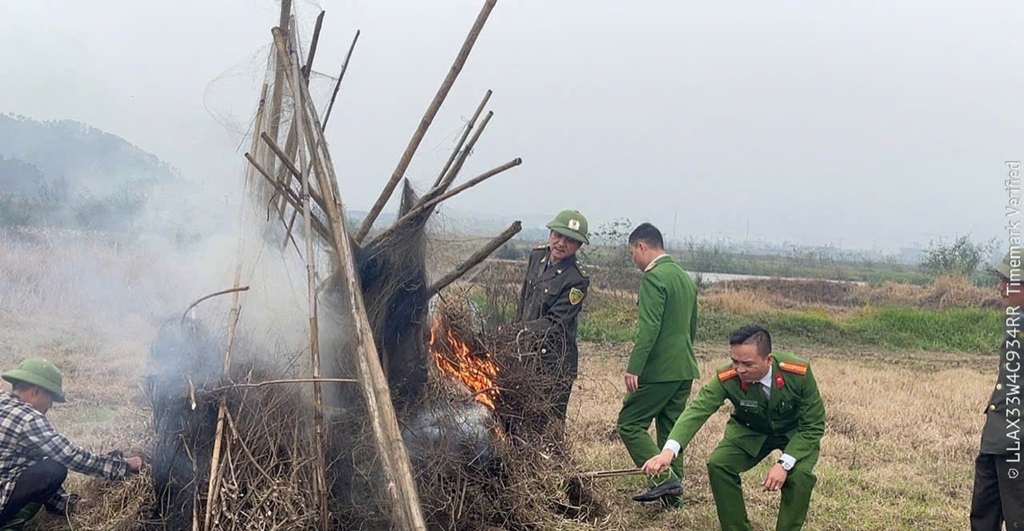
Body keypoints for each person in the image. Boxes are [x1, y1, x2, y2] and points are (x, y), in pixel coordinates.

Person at [642, 325, 825, 531]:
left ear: (768, 359)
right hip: (750, 431)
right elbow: (697, 410)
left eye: (747, 364)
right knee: (719, 464)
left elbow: (813, 426)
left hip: (796, 434)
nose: (739, 370)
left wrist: (784, 464)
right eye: (735, 361)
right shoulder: (728, 377)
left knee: (799, 476)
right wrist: (668, 452)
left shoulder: (797, 373)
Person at [0, 358, 143, 529]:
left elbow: (30, 464)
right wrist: (122, 466)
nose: (51, 405)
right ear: (36, 391)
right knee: (54, 468)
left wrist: (67, 504)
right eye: (51, 397)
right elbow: (70, 455)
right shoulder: (28, 418)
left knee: (45, 462)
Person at [617, 223, 699, 507]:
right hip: (684, 367)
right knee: (672, 432)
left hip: (659, 370)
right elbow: (691, 327)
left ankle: (662, 482)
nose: (634, 260)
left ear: (642, 247)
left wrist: (635, 366)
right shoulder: (683, 277)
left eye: (632, 253)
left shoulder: (654, 278)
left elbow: (648, 327)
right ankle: (674, 502)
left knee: (629, 424)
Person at [510, 209, 590, 432]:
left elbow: (555, 323)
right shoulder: (537, 257)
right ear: (550, 233)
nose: (561, 243)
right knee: (518, 416)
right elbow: (525, 300)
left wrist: (516, 331)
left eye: (570, 240)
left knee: (548, 424)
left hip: (553, 363)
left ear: (578, 246)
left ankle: (554, 464)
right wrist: (513, 333)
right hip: (525, 354)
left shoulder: (577, 279)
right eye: (557, 235)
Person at [969, 251, 1023, 530]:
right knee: (983, 516)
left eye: (1008, 281)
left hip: (1018, 443)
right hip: (996, 437)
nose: (1000, 287)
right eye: (1000, 280)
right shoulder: (1014, 322)